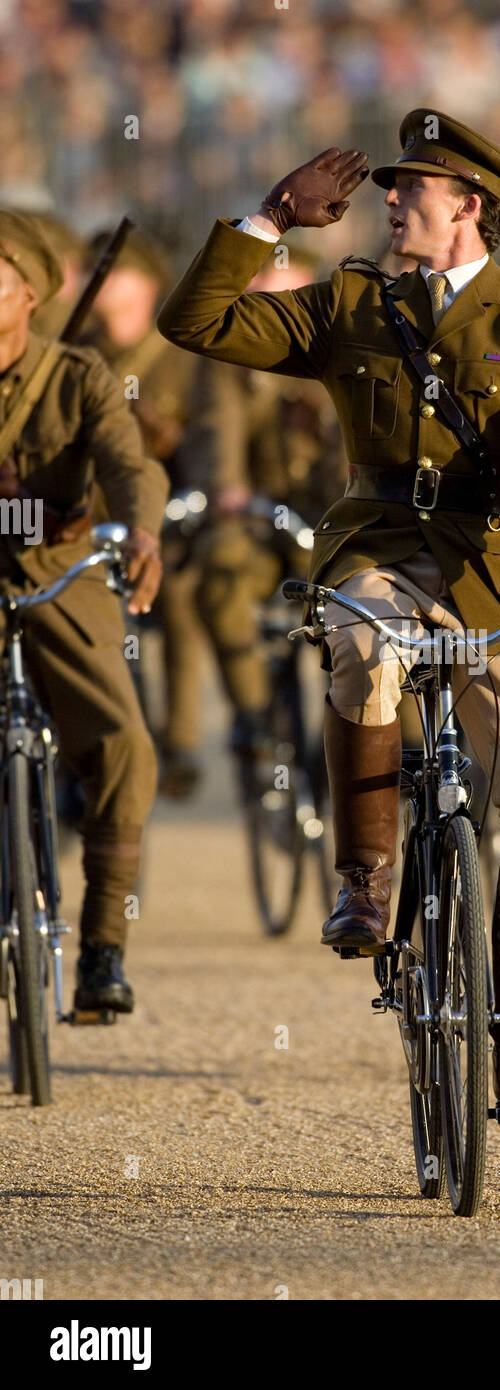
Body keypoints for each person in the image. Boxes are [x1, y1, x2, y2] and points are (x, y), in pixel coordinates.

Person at [157, 112, 500, 1121]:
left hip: (496, 569)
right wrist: (269, 221)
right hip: (376, 548)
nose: (389, 198)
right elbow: (196, 323)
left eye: (412, 185)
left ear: (471, 207)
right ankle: (362, 879)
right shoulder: (355, 302)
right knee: (358, 636)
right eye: (388, 184)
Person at [0, 211, 167, 1012]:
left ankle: (103, 947)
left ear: (29, 294)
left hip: (60, 575)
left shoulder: (79, 378)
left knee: (124, 743)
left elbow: (128, 463)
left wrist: (139, 529)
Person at [184, 245, 345, 760]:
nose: (277, 313)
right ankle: (253, 714)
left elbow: (352, 448)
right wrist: (226, 490)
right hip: (252, 521)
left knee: (364, 607)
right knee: (221, 570)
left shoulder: (341, 349)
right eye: (265, 300)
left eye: (290, 299)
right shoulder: (228, 358)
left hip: (325, 524)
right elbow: (216, 431)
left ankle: (373, 737)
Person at [85, 228, 228, 797]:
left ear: (147, 284)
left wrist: (169, 440)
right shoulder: (84, 352)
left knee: (179, 589)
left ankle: (183, 740)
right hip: (94, 516)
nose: (104, 283)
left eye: (117, 272)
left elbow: (208, 438)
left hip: (170, 513)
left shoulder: (180, 355)